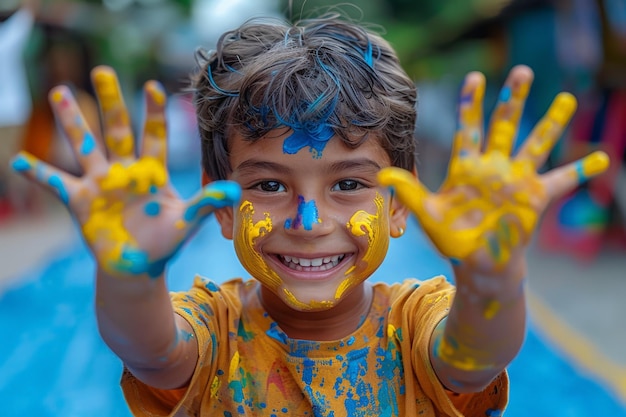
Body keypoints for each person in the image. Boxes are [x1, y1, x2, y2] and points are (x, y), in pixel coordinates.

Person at [11, 13, 609, 417]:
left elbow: (476, 360)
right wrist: (128, 275)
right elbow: (149, 351)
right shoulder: (213, 329)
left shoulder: (419, 319)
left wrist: (491, 278)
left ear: (398, 204)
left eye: (348, 183)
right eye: (269, 184)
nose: (307, 218)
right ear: (220, 204)